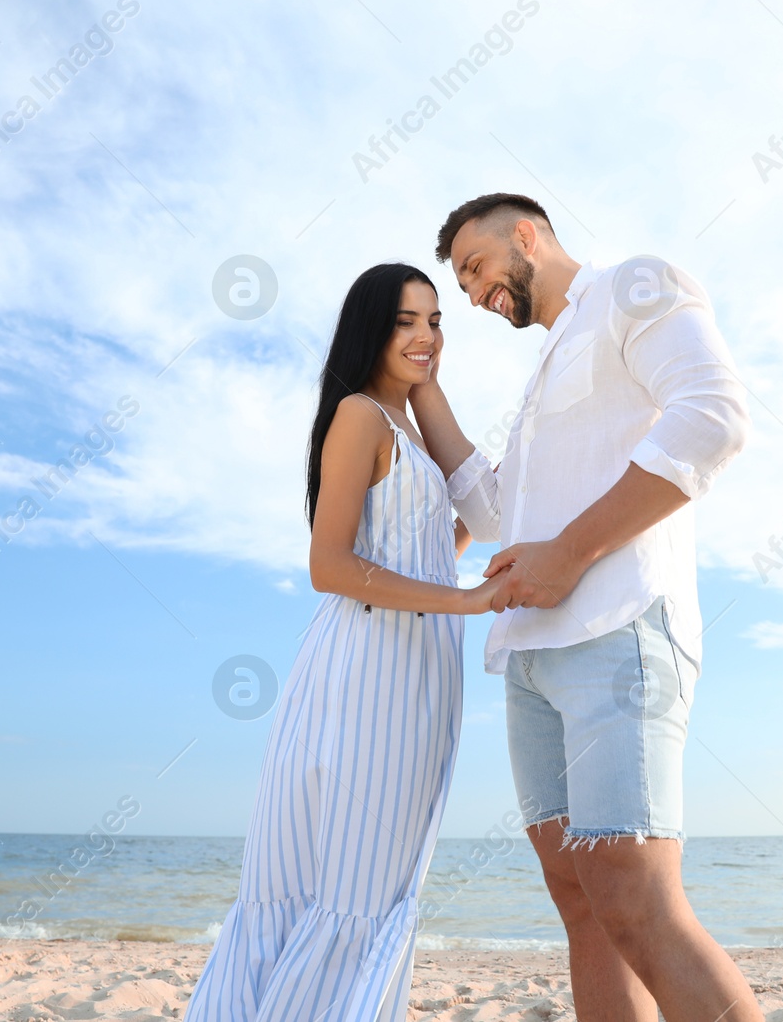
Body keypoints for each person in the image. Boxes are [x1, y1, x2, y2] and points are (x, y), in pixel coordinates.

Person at [408, 193, 764, 1022]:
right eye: (460, 285)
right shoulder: (541, 377)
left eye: (475, 267)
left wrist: (568, 553)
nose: (470, 294)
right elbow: (497, 513)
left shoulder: (634, 286)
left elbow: (713, 417)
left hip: (620, 631)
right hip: (530, 659)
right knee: (584, 909)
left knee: (635, 904)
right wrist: (424, 389)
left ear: (525, 235)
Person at [185, 262, 508, 1021]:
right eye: (405, 322)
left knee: (369, 888)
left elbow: (477, 523)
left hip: (414, 675)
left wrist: (426, 388)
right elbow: (329, 566)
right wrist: (464, 601)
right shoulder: (361, 415)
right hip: (365, 673)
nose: (426, 335)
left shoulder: (409, 431)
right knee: (349, 891)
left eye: (436, 321)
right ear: (370, 328)